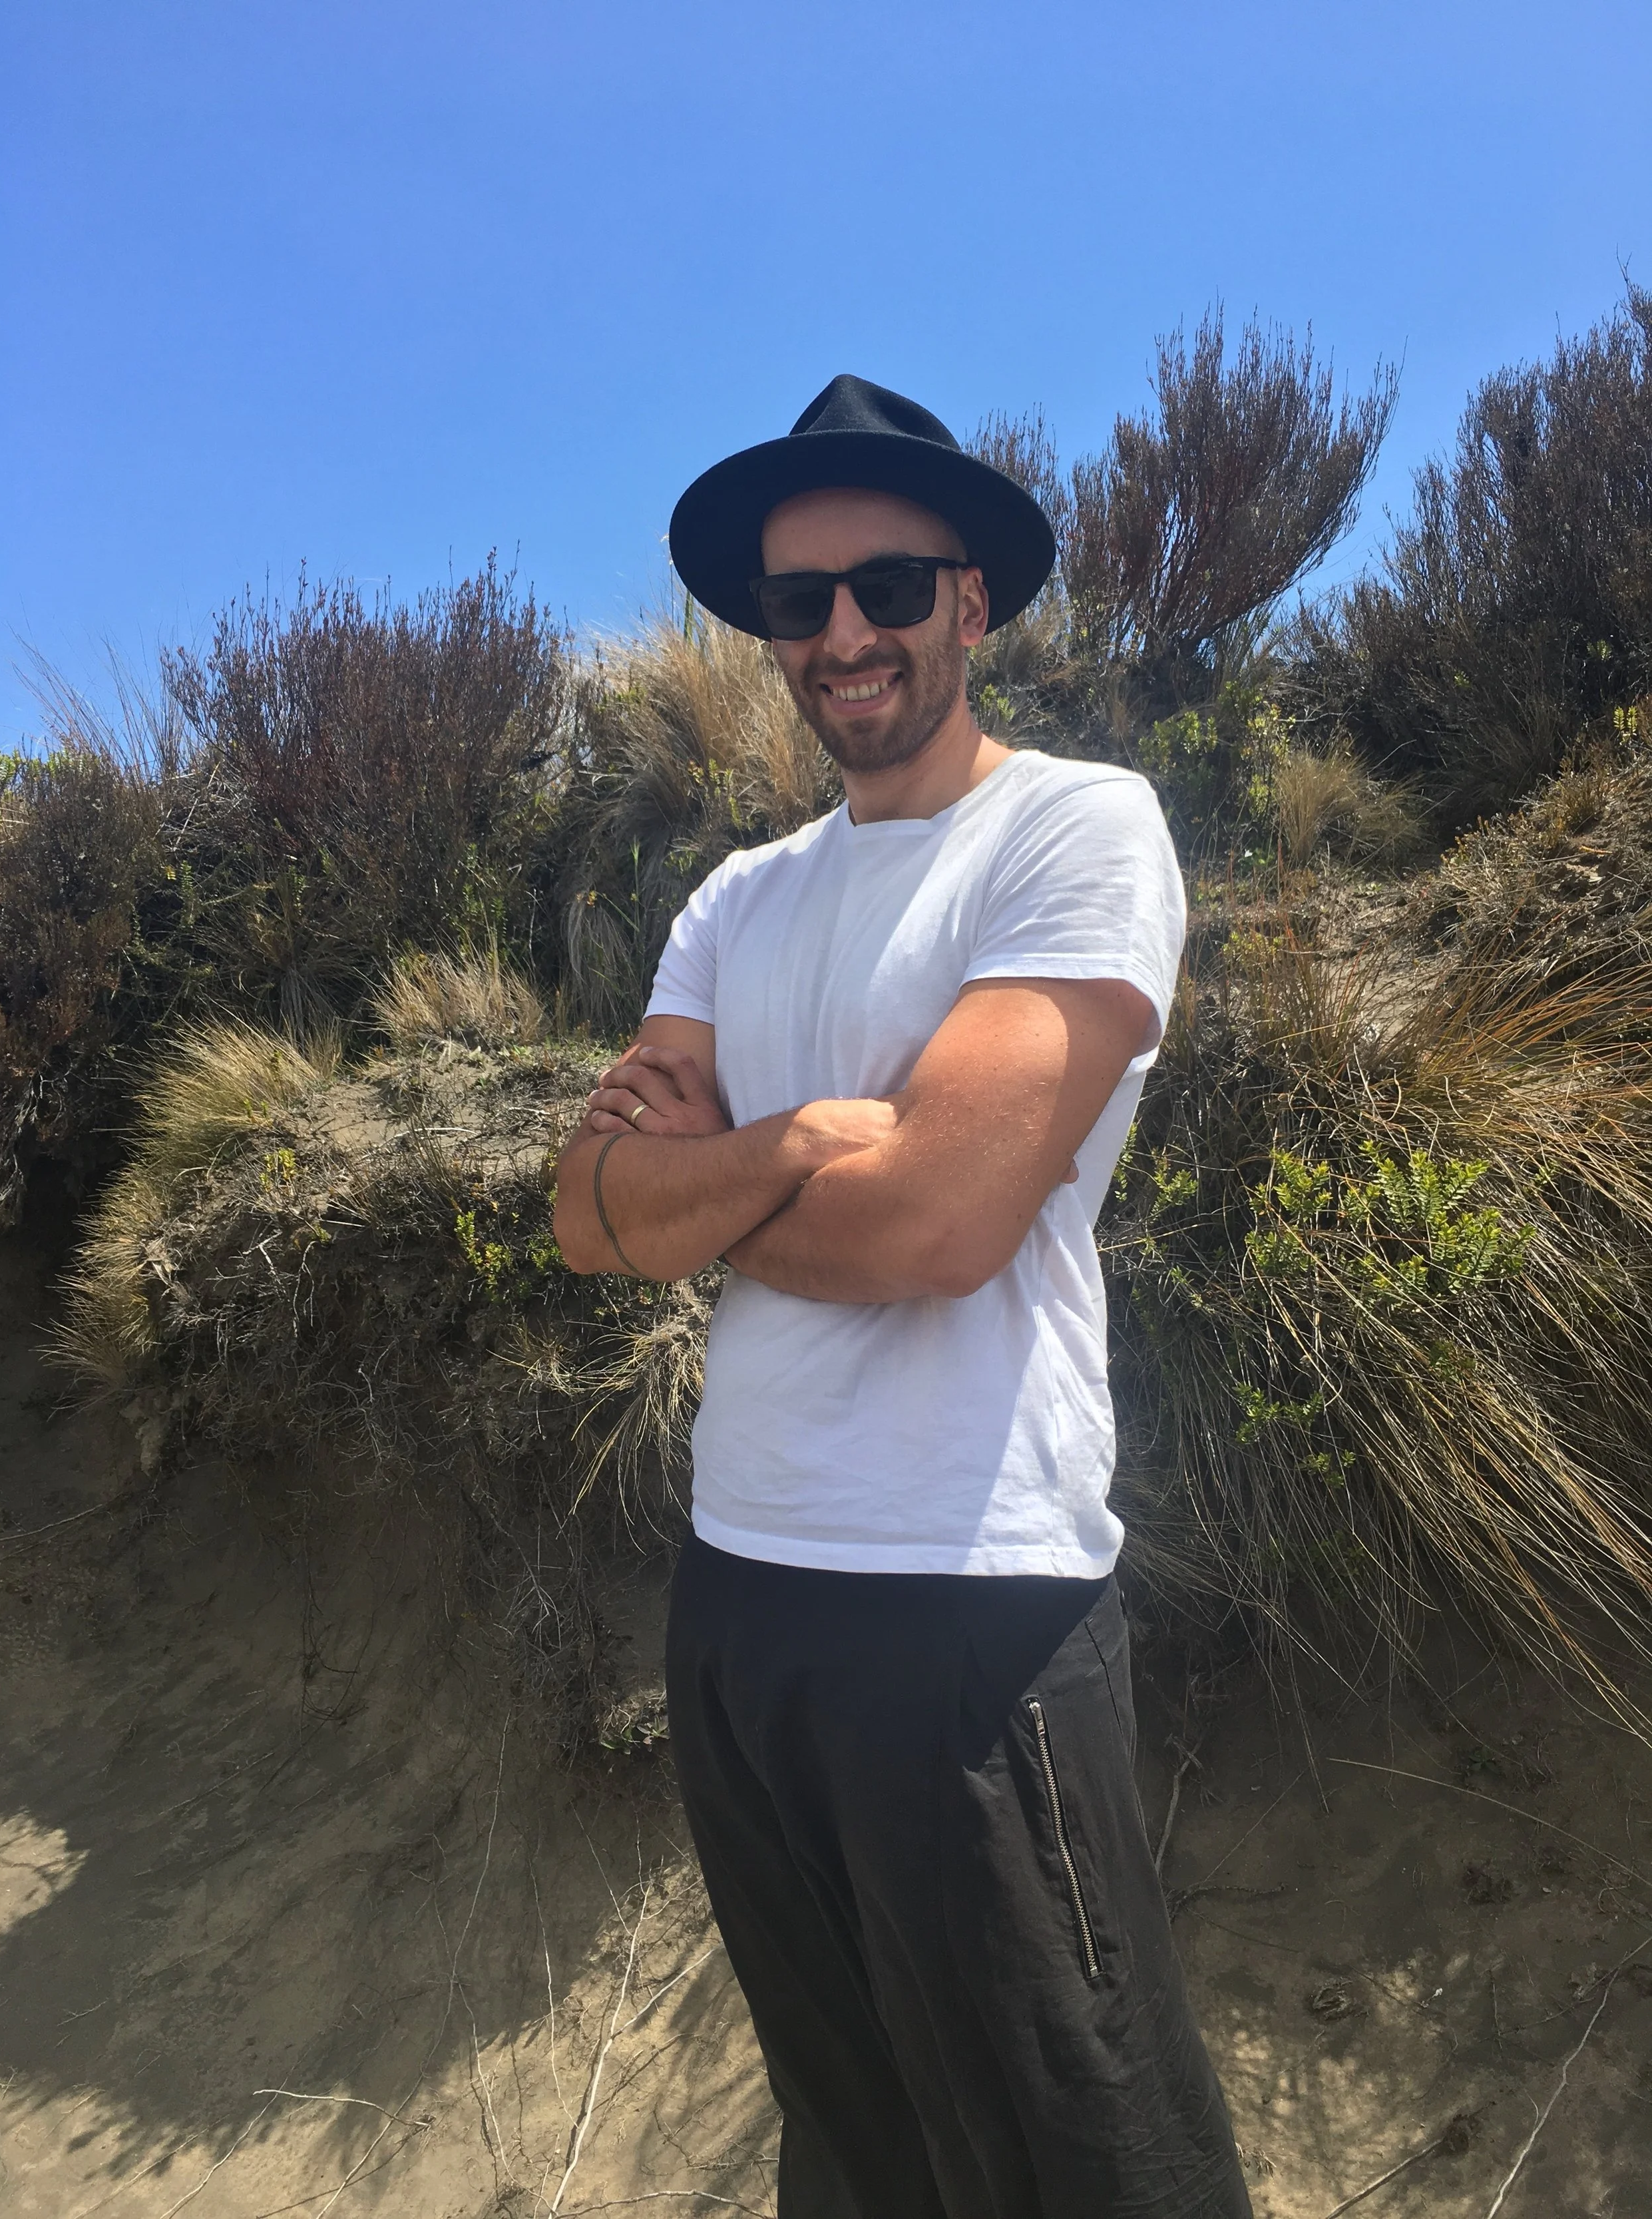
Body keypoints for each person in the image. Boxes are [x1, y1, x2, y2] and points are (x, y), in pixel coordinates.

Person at [553, 375, 1251, 2219]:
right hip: (737, 1594)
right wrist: (802, 1147)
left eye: (887, 584)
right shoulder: (735, 900)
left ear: (972, 601)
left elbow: (942, 1221)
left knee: (1083, 2149)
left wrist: (701, 1196)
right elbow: (585, 1213)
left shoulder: (1077, 830)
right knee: (856, 2141)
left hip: (968, 1600)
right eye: (800, 600)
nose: (843, 632)